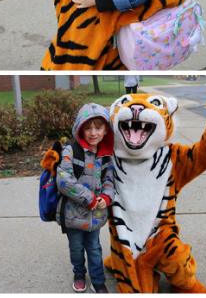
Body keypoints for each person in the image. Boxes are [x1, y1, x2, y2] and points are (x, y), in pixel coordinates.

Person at [49, 104, 114, 293]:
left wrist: (105, 197)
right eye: (88, 127)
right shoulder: (70, 151)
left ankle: (98, 280)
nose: (93, 133)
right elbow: (64, 180)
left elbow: (110, 179)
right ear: (79, 128)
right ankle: (79, 273)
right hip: (73, 215)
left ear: (106, 130)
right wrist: (90, 199)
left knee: (94, 249)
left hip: (96, 216)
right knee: (76, 249)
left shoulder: (106, 155)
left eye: (98, 128)